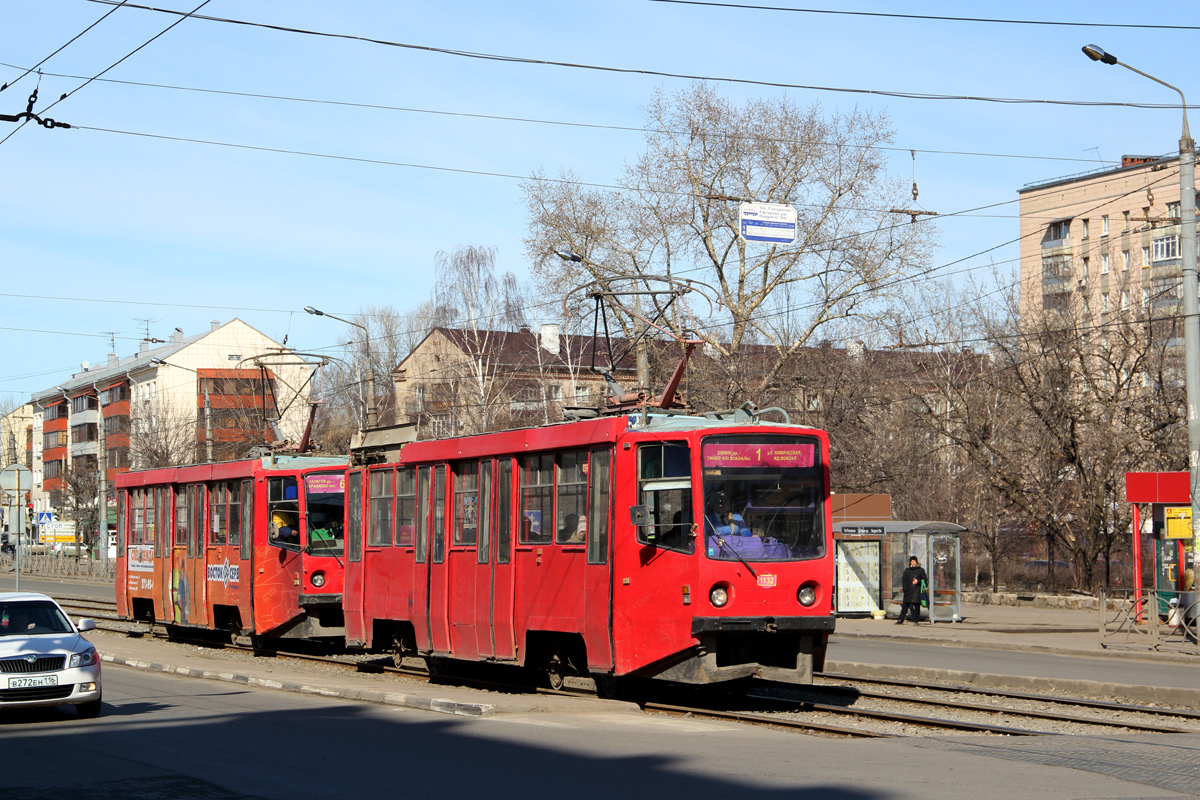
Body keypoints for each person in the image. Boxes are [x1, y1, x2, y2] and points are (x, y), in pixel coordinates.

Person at [897, 555, 928, 625]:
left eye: (914, 562)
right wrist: (904, 589)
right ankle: (900, 620)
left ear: (917, 562)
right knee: (905, 606)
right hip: (908, 591)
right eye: (912, 562)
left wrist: (918, 581)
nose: (913, 563)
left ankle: (916, 620)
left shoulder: (920, 570)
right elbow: (904, 580)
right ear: (910, 562)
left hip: (916, 591)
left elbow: (925, 580)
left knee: (917, 606)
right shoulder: (907, 570)